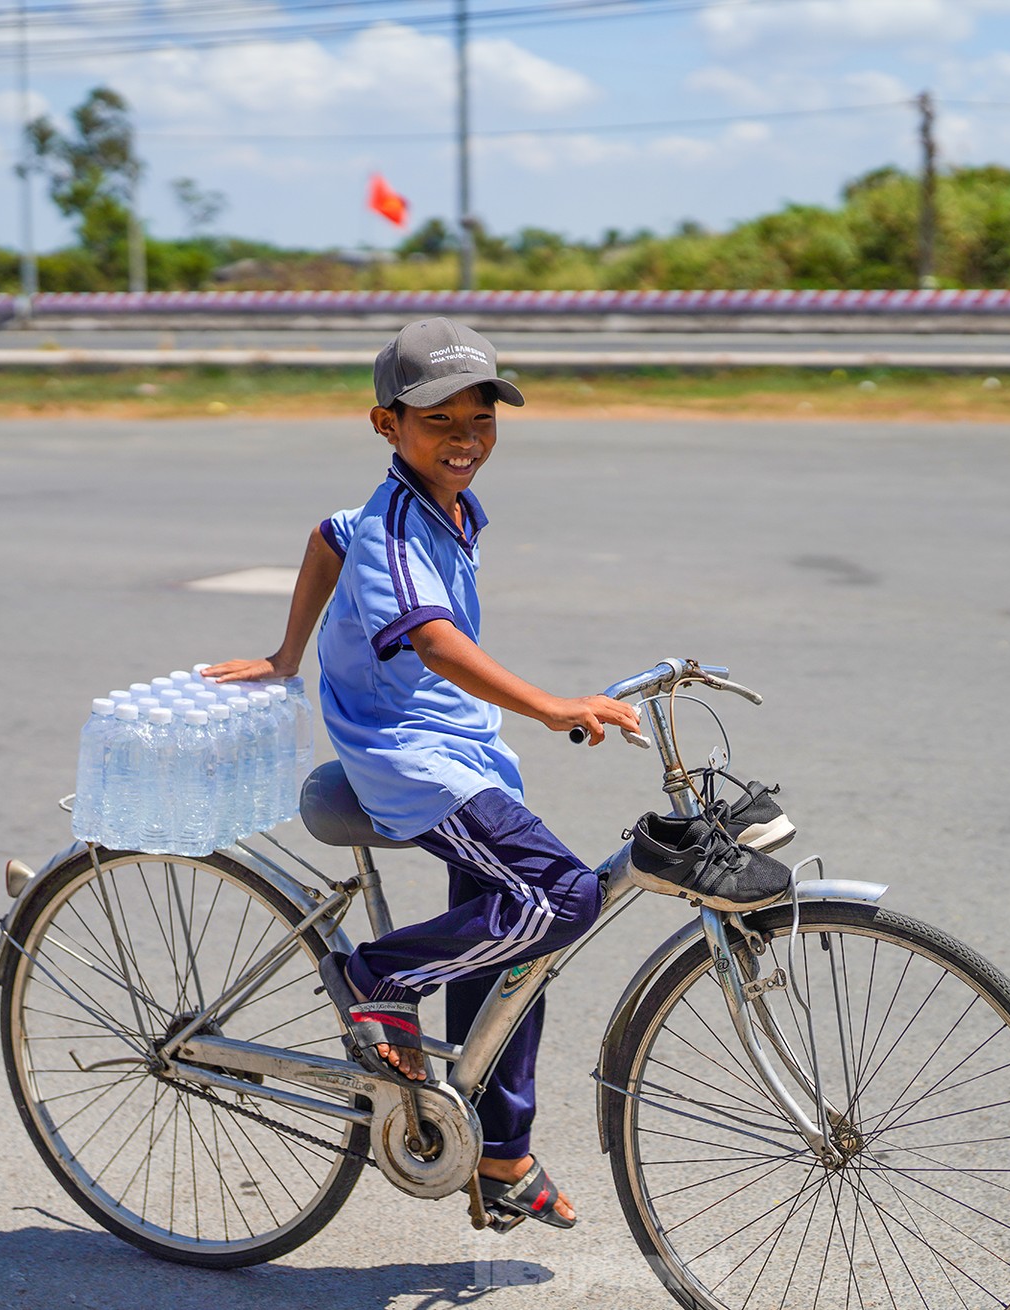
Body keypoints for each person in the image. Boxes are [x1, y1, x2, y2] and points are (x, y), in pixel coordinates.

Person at [205, 317, 791, 1231]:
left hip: (463, 748)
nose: (465, 439)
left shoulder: (450, 507)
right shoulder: (401, 526)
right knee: (561, 896)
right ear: (386, 425)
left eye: (481, 419)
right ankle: (376, 979)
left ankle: (502, 1153)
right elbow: (433, 640)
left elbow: (327, 534)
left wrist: (288, 652)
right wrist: (552, 706)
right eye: (439, 421)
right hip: (408, 758)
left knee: (523, 944)